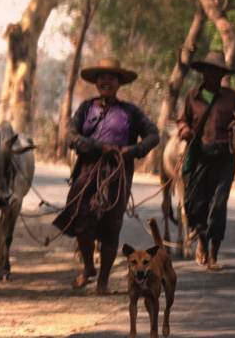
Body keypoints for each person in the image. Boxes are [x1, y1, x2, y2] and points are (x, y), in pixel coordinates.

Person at [52, 58, 159, 293]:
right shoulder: (85, 108)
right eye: (102, 77)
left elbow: (153, 134)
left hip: (118, 174)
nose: (106, 81)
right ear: (96, 81)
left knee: (112, 226)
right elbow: (71, 137)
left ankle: (103, 281)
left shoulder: (131, 111)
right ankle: (89, 268)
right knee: (81, 220)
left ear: (120, 82)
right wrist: (98, 147)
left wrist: (132, 151)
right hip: (88, 171)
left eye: (112, 77)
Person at [178, 50, 235, 271]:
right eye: (209, 71)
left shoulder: (232, 97)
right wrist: (184, 131)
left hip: (224, 157)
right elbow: (182, 120)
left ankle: (213, 256)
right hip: (200, 155)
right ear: (203, 73)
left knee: (218, 206)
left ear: (222, 75)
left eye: (217, 72)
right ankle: (201, 241)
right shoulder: (192, 96)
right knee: (196, 204)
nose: (213, 75)